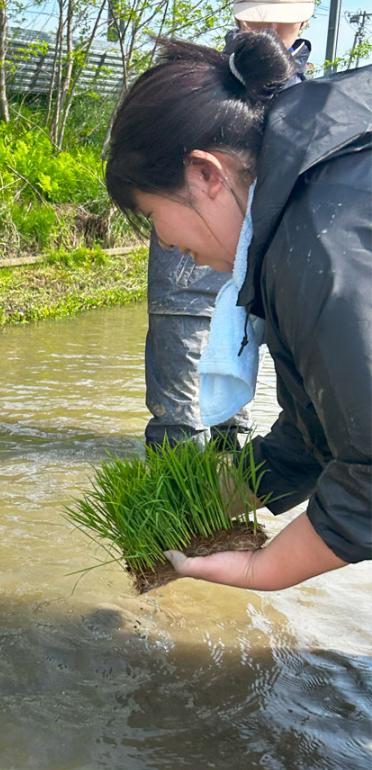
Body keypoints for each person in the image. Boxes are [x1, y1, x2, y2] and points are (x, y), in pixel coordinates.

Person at [104, 31, 371, 590]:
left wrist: (263, 567)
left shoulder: (317, 246)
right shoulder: (312, 193)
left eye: (152, 216)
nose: (165, 243)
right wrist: (209, 498)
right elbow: (320, 434)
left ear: (207, 174)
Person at [143, 0, 313, 449]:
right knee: (180, 421)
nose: (269, 25)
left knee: (232, 416)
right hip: (189, 273)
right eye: (259, 17)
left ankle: (229, 485)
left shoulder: (309, 95)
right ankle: (182, 490)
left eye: (280, 18)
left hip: (259, 278)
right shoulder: (204, 84)